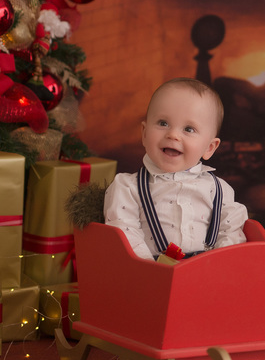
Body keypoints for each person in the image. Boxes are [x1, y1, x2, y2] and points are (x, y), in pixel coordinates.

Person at [103, 77, 248, 260]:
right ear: (145, 133)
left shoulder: (219, 190)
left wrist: (216, 265)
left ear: (209, 148)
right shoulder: (127, 187)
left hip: (206, 273)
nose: (173, 135)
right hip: (151, 275)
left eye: (189, 129)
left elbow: (232, 232)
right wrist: (151, 270)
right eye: (163, 123)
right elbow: (125, 232)